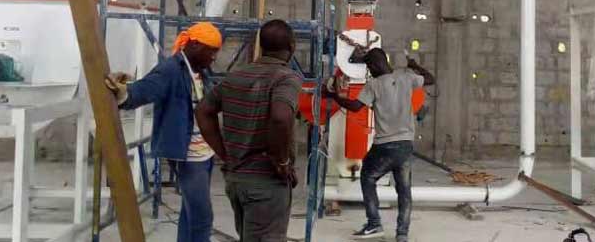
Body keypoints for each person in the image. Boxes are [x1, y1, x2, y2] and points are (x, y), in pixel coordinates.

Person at [105, 22, 222, 242]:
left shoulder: (201, 71)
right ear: (195, 45)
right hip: (188, 156)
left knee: (189, 212)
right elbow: (146, 89)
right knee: (202, 217)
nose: (214, 58)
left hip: (205, 153)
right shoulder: (171, 69)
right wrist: (125, 92)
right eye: (211, 51)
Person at [195, 19, 302, 242]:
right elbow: (281, 118)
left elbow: (203, 110)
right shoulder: (285, 78)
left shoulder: (235, 76)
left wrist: (224, 153)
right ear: (291, 47)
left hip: (237, 181)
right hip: (266, 184)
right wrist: (282, 161)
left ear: (261, 45)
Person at [323, 47, 435, 242]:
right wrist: (415, 65)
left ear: (374, 65)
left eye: (369, 66)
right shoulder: (406, 77)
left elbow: (355, 107)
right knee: (404, 190)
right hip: (406, 144)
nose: (369, 70)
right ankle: (402, 234)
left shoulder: (373, 85)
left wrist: (334, 96)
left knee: (367, 176)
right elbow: (430, 79)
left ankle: (374, 224)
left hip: (384, 145)